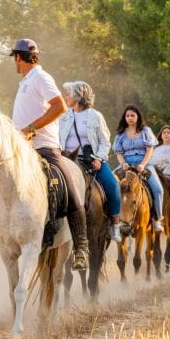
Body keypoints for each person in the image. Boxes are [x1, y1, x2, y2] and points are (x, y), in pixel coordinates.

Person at [0, 39, 89, 270]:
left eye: (14, 58)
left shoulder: (41, 77)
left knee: (70, 187)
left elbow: (59, 106)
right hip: (20, 151)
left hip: (45, 147)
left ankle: (81, 247)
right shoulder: (25, 82)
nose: (14, 63)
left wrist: (31, 129)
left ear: (18, 57)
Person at [58, 81, 124, 243]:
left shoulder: (95, 116)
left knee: (113, 186)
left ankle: (114, 224)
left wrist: (99, 159)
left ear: (79, 96)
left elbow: (105, 141)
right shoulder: (64, 117)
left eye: (69, 94)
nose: (66, 97)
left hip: (91, 160)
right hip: (67, 160)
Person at [112, 105, 165, 232]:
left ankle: (156, 219)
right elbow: (119, 153)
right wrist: (123, 163)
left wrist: (143, 164)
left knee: (158, 189)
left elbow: (150, 150)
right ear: (125, 118)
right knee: (110, 185)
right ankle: (112, 220)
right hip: (126, 164)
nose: (130, 118)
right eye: (127, 116)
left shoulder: (145, 131)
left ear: (138, 117)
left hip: (144, 163)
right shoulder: (120, 134)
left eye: (132, 115)